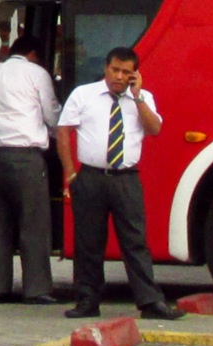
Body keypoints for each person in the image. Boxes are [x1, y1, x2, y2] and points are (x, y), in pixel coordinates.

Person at [56, 48, 184, 320]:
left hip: (126, 179)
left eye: (126, 72)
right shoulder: (84, 94)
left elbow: (154, 129)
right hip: (90, 177)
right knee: (88, 242)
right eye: (115, 70)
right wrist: (69, 172)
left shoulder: (142, 98)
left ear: (135, 74)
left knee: (135, 241)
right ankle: (87, 301)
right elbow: (64, 130)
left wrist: (137, 98)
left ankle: (150, 302)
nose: (119, 76)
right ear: (106, 68)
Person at [0, 38, 62, 304]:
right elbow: (51, 114)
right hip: (25, 157)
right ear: (33, 54)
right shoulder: (37, 73)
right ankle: (36, 289)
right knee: (33, 222)